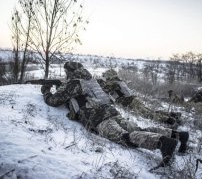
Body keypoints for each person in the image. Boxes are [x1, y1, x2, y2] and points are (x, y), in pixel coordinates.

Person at [41, 62, 189, 167]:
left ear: (70, 72)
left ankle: (162, 143)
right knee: (137, 130)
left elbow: (54, 101)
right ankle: (178, 135)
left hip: (98, 117)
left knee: (122, 137)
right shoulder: (90, 80)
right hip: (112, 112)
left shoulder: (73, 83)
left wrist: (46, 91)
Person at [97, 69, 182, 126]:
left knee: (148, 114)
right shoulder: (119, 80)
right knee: (150, 111)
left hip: (131, 102)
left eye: (106, 76)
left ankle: (169, 120)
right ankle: (173, 115)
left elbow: (105, 89)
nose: (105, 77)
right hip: (133, 100)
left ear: (110, 75)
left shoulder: (113, 82)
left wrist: (99, 83)